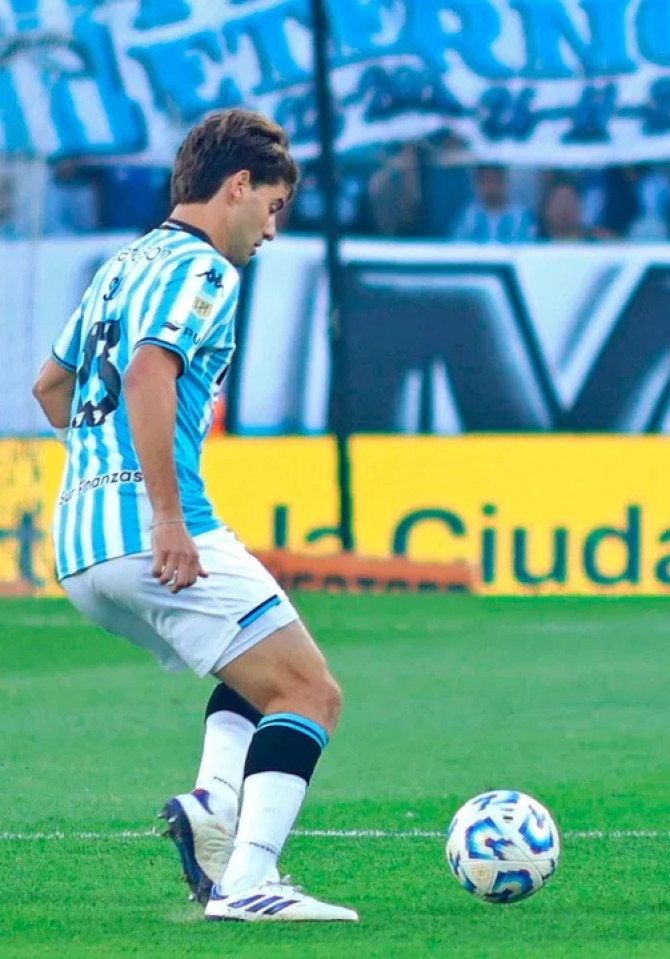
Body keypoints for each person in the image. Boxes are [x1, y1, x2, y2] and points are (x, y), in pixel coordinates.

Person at [29, 109, 356, 923]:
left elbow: (50, 388)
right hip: (153, 529)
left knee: (258, 666)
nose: (272, 232)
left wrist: (105, 473)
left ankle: (214, 798)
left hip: (80, 543)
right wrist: (165, 516)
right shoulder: (205, 271)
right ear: (238, 186)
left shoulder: (122, 264)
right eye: (273, 208)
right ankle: (249, 877)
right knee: (310, 692)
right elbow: (148, 374)